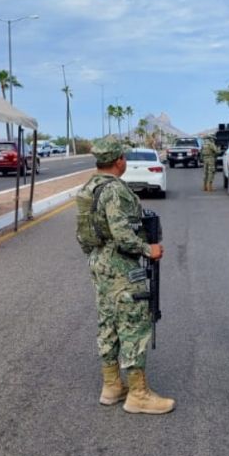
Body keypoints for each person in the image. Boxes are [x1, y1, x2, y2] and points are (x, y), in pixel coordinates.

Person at [75, 137, 174, 415]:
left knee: (108, 320)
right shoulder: (115, 191)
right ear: (119, 160)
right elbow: (122, 236)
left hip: (99, 259)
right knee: (133, 323)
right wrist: (148, 249)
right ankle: (138, 394)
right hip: (120, 264)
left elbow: (84, 233)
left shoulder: (89, 187)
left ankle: (111, 386)